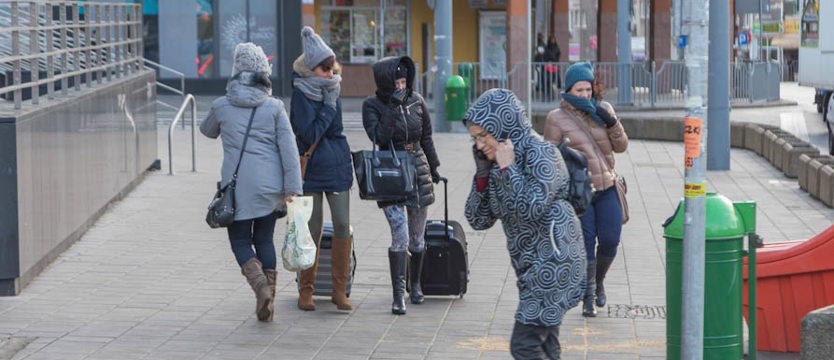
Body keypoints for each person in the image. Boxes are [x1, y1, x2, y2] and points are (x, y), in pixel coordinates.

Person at [464, 89, 585, 359]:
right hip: (533, 266)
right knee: (546, 345)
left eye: (484, 136)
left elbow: (530, 208)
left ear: (503, 125)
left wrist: (508, 170)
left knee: (524, 345)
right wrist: (483, 176)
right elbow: (478, 219)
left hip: (555, 260)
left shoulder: (542, 153)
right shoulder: (498, 163)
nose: (480, 145)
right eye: (475, 139)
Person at [200, 43, 303, 322]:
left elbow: (206, 130)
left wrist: (224, 106)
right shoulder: (274, 107)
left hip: (237, 188)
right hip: (271, 188)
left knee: (240, 241)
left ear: (236, 72)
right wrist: (293, 188)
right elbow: (289, 150)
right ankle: (269, 292)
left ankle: (260, 289)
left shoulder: (222, 105)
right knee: (265, 239)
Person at [543, 62, 629, 318]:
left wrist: (612, 122)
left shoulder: (603, 109)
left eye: (588, 89)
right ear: (569, 89)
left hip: (608, 186)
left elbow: (622, 146)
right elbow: (548, 158)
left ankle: (598, 281)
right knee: (586, 244)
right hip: (579, 193)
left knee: (611, 240)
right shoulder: (555, 118)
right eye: (579, 89)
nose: (584, 94)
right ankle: (588, 296)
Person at [362, 55, 441, 315]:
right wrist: (393, 107)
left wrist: (434, 166)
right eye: (396, 82)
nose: (401, 86)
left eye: (404, 81)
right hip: (392, 171)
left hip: (417, 169)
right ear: (385, 82)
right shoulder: (371, 105)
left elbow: (426, 136)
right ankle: (398, 295)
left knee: (418, 237)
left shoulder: (417, 101)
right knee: (401, 235)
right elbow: (379, 137)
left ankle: (415, 284)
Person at [289, 26, 354, 312]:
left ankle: (340, 291)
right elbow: (308, 133)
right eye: (325, 69)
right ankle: (306, 290)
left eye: (332, 68)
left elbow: (334, 129)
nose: (330, 74)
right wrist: (327, 109)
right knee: (311, 230)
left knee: (342, 225)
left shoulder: (332, 89)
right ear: (311, 67)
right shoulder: (300, 94)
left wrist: (327, 110)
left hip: (337, 164)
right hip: (311, 167)